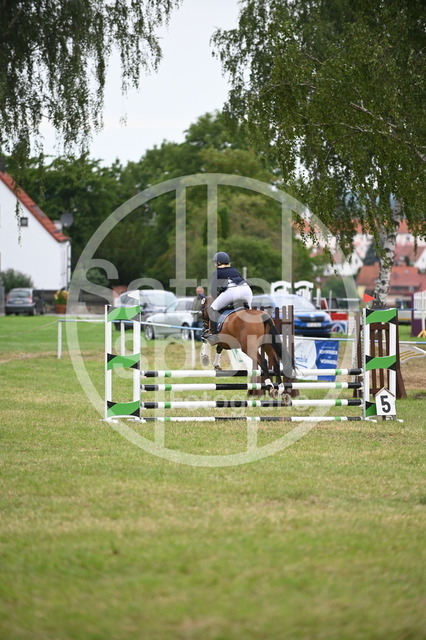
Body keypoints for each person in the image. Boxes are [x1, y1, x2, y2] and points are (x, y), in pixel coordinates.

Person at [203, 251, 253, 339]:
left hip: (233, 291)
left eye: (215, 262)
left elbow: (213, 291)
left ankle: (213, 334)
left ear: (219, 263)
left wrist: (219, 299)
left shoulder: (216, 272)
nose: (214, 265)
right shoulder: (235, 270)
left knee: (213, 308)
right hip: (247, 291)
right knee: (248, 311)